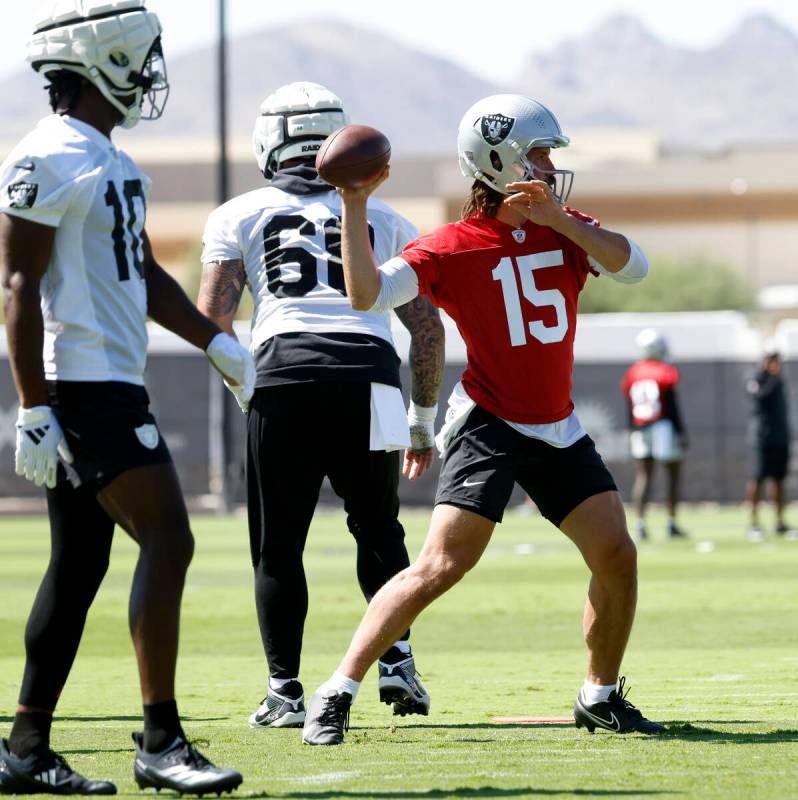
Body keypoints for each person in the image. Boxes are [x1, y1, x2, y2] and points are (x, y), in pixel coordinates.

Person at [302, 93, 666, 745]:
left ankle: (599, 695)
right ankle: (336, 691)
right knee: (441, 566)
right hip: (490, 420)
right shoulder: (451, 246)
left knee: (616, 552)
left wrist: (563, 221)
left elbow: (632, 265)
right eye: (540, 153)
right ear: (501, 162)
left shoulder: (567, 227)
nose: (551, 166)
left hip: (556, 423)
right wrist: (353, 206)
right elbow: (365, 294)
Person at [0, 2, 250, 794]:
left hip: (109, 380)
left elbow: (140, 274)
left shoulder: (111, 159)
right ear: (102, 63)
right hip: (84, 388)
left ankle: (26, 749)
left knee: (78, 566)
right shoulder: (47, 154)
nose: (146, 77)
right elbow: (16, 282)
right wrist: (34, 405)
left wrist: (216, 342)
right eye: (138, 61)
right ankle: (160, 741)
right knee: (169, 542)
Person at [197, 82, 444, 729]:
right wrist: (422, 419)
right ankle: (397, 660)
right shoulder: (386, 218)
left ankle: (284, 692)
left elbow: (213, 322)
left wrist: (245, 385)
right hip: (369, 374)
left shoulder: (238, 213)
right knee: (379, 528)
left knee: (279, 547)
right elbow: (426, 328)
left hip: (285, 375)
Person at [621, 329, 688, 540]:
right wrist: (681, 431)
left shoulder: (633, 373)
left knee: (644, 476)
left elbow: (629, 406)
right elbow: (671, 405)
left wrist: (632, 430)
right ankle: (672, 522)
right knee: (673, 474)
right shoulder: (665, 371)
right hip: (663, 426)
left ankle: (640, 524)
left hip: (640, 427)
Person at [745, 344, 793, 541]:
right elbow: (759, 399)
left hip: (779, 437)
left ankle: (780, 522)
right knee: (758, 478)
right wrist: (773, 378)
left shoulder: (780, 381)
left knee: (779, 480)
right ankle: (754, 522)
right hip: (761, 438)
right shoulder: (757, 378)